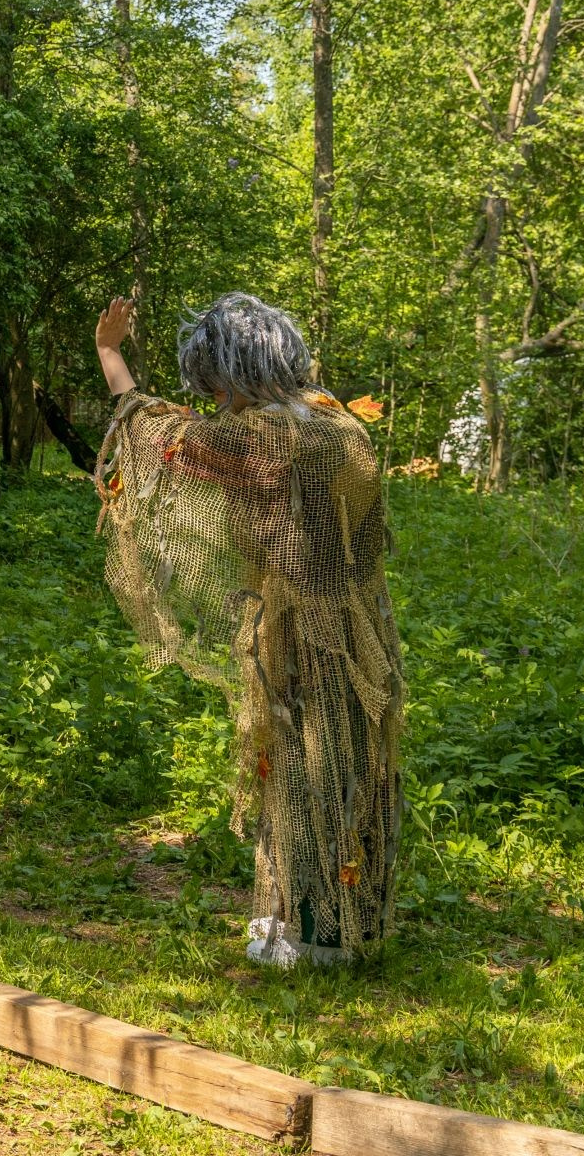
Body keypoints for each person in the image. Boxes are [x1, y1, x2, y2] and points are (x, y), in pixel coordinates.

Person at [93, 293, 403, 966]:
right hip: (361, 633)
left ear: (233, 370)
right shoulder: (339, 425)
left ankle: (315, 935)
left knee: (300, 770)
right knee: (345, 766)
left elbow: (153, 433)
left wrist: (111, 356)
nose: (212, 398)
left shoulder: (266, 434)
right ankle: (350, 924)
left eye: (214, 382)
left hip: (303, 636)